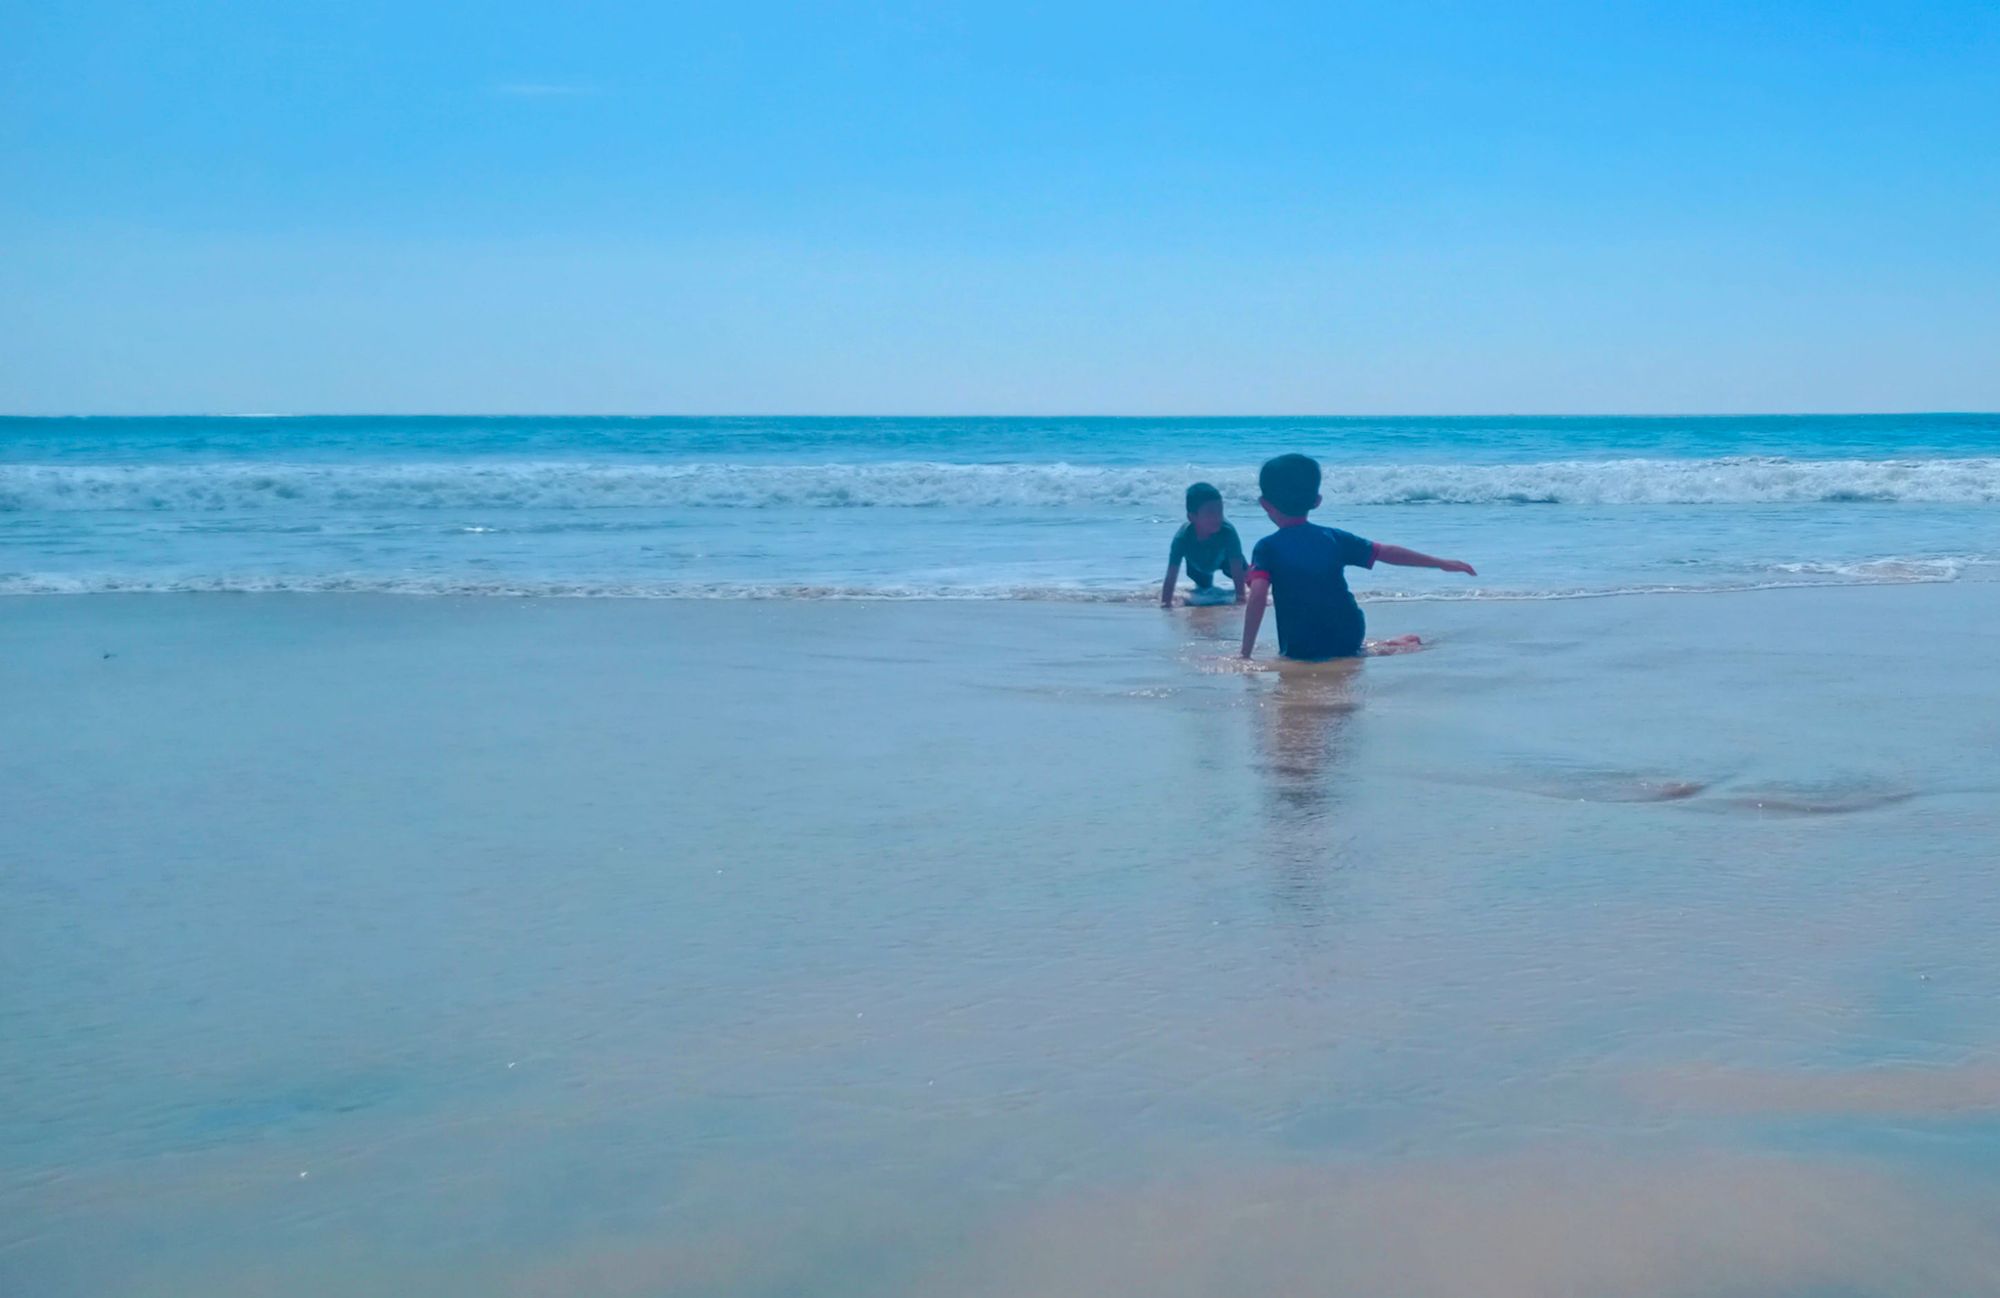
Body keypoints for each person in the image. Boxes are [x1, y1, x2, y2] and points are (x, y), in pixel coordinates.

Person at [1240, 453, 1476, 660]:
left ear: (1264, 504)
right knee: (1349, 653)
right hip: (1347, 632)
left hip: (1301, 644)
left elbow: (1258, 596)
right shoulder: (1333, 538)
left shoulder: (1266, 547)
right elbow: (1386, 552)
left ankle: (1392, 645)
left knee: (1300, 662)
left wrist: (1245, 654)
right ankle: (1393, 645)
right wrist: (1441, 563)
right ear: (1317, 501)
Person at [1161, 482, 1249, 606]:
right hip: (1199, 565)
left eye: (1220, 512)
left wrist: (1241, 598)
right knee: (1204, 590)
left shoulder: (1227, 531)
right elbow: (1171, 574)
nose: (1217, 517)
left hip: (1226, 559)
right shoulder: (1183, 538)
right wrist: (1166, 603)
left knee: (1247, 576)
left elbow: (1236, 566)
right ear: (1192, 517)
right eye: (1210, 513)